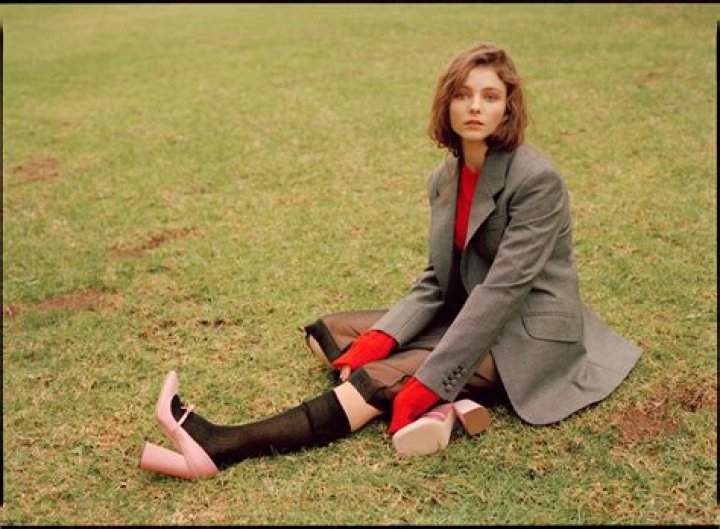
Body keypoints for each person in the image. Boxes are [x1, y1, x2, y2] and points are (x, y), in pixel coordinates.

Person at [138, 42, 642, 480]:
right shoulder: (444, 178)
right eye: (463, 94)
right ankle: (449, 404)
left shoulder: (536, 180)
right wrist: (382, 337)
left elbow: (502, 292)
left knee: (376, 379)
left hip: (527, 333)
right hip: (468, 313)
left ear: (508, 107)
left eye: (490, 96)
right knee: (329, 334)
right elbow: (437, 279)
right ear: (447, 104)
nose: (475, 106)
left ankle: (221, 446)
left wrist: (426, 380)